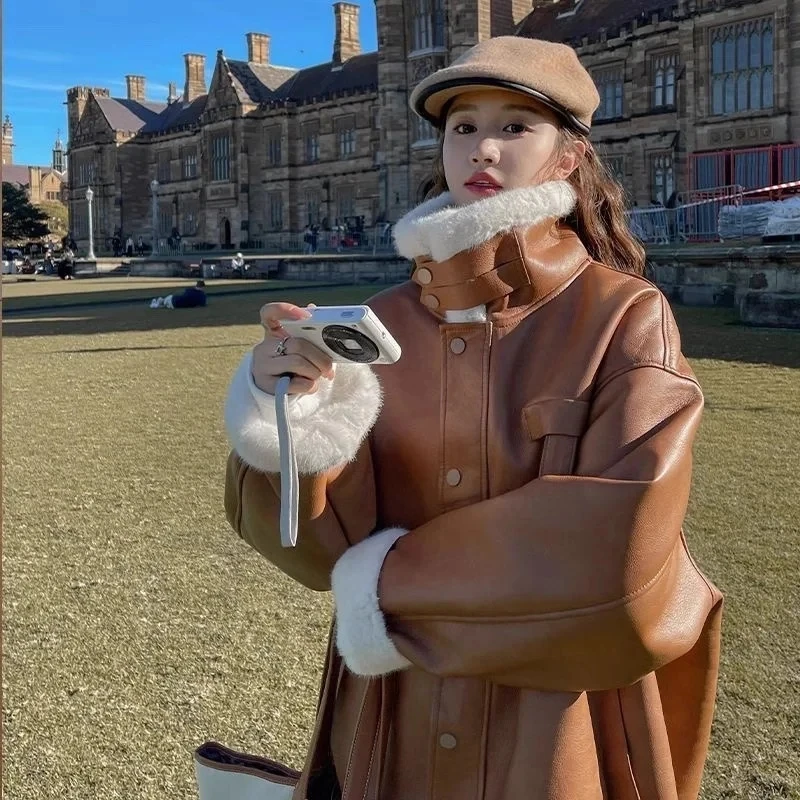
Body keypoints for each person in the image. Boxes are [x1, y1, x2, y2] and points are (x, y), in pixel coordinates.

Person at [222, 37, 722, 800]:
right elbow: (314, 552)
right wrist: (288, 412)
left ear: (568, 157)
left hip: (553, 714)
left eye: (516, 127)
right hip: (397, 710)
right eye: (463, 127)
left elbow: (622, 536)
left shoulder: (624, 315)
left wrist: (386, 587)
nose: (483, 146)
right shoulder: (378, 323)